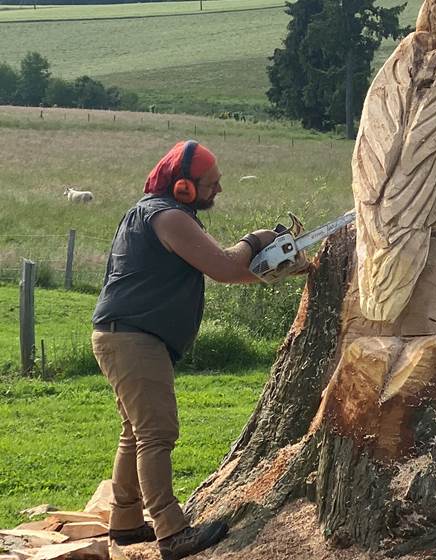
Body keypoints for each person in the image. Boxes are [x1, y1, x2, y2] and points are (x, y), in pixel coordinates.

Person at [91, 140, 278, 560]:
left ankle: (124, 521)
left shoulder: (158, 213)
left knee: (136, 432)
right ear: (184, 188)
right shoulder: (168, 216)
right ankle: (171, 532)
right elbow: (228, 267)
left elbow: (222, 269)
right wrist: (256, 240)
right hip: (135, 337)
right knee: (158, 433)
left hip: (125, 334)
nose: (219, 191)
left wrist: (274, 269)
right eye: (211, 184)